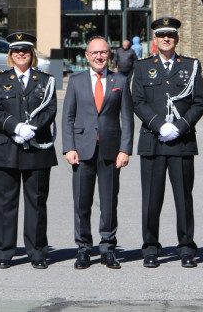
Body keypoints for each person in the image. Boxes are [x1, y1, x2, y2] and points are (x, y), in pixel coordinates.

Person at [131, 17, 203, 268]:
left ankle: (186, 247)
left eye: (171, 36)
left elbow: (199, 102)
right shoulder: (142, 67)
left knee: (183, 198)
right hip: (153, 140)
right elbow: (138, 101)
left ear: (176, 39)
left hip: (181, 141)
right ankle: (150, 248)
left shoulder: (191, 66)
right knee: (152, 199)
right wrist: (158, 124)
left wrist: (180, 126)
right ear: (155, 39)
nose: (166, 39)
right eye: (162, 35)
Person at [62, 36, 134, 269]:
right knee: (81, 203)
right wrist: (69, 147)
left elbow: (127, 118)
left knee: (108, 202)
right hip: (81, 151)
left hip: (111, 151)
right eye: (94, 53)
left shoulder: (120, 81)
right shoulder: (76, 81)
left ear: (109, 54)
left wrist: (125, 150)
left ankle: (107, 248)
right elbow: (68, 118)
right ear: (86, 56)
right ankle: (83, 248)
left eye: (103, 52)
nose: (99, 56)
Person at [0, 32, 57, 269]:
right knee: (5, 204)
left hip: (37, 149)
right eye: (16, 50)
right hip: (6, 147)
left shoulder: (46, 79)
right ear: (10, 54)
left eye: (25, 50)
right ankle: (4, 253)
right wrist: (15, 127)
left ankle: (37, 253)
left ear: (32, 53)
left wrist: (32, 129)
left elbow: (50, 110)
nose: (21, 54)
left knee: (36, 203)